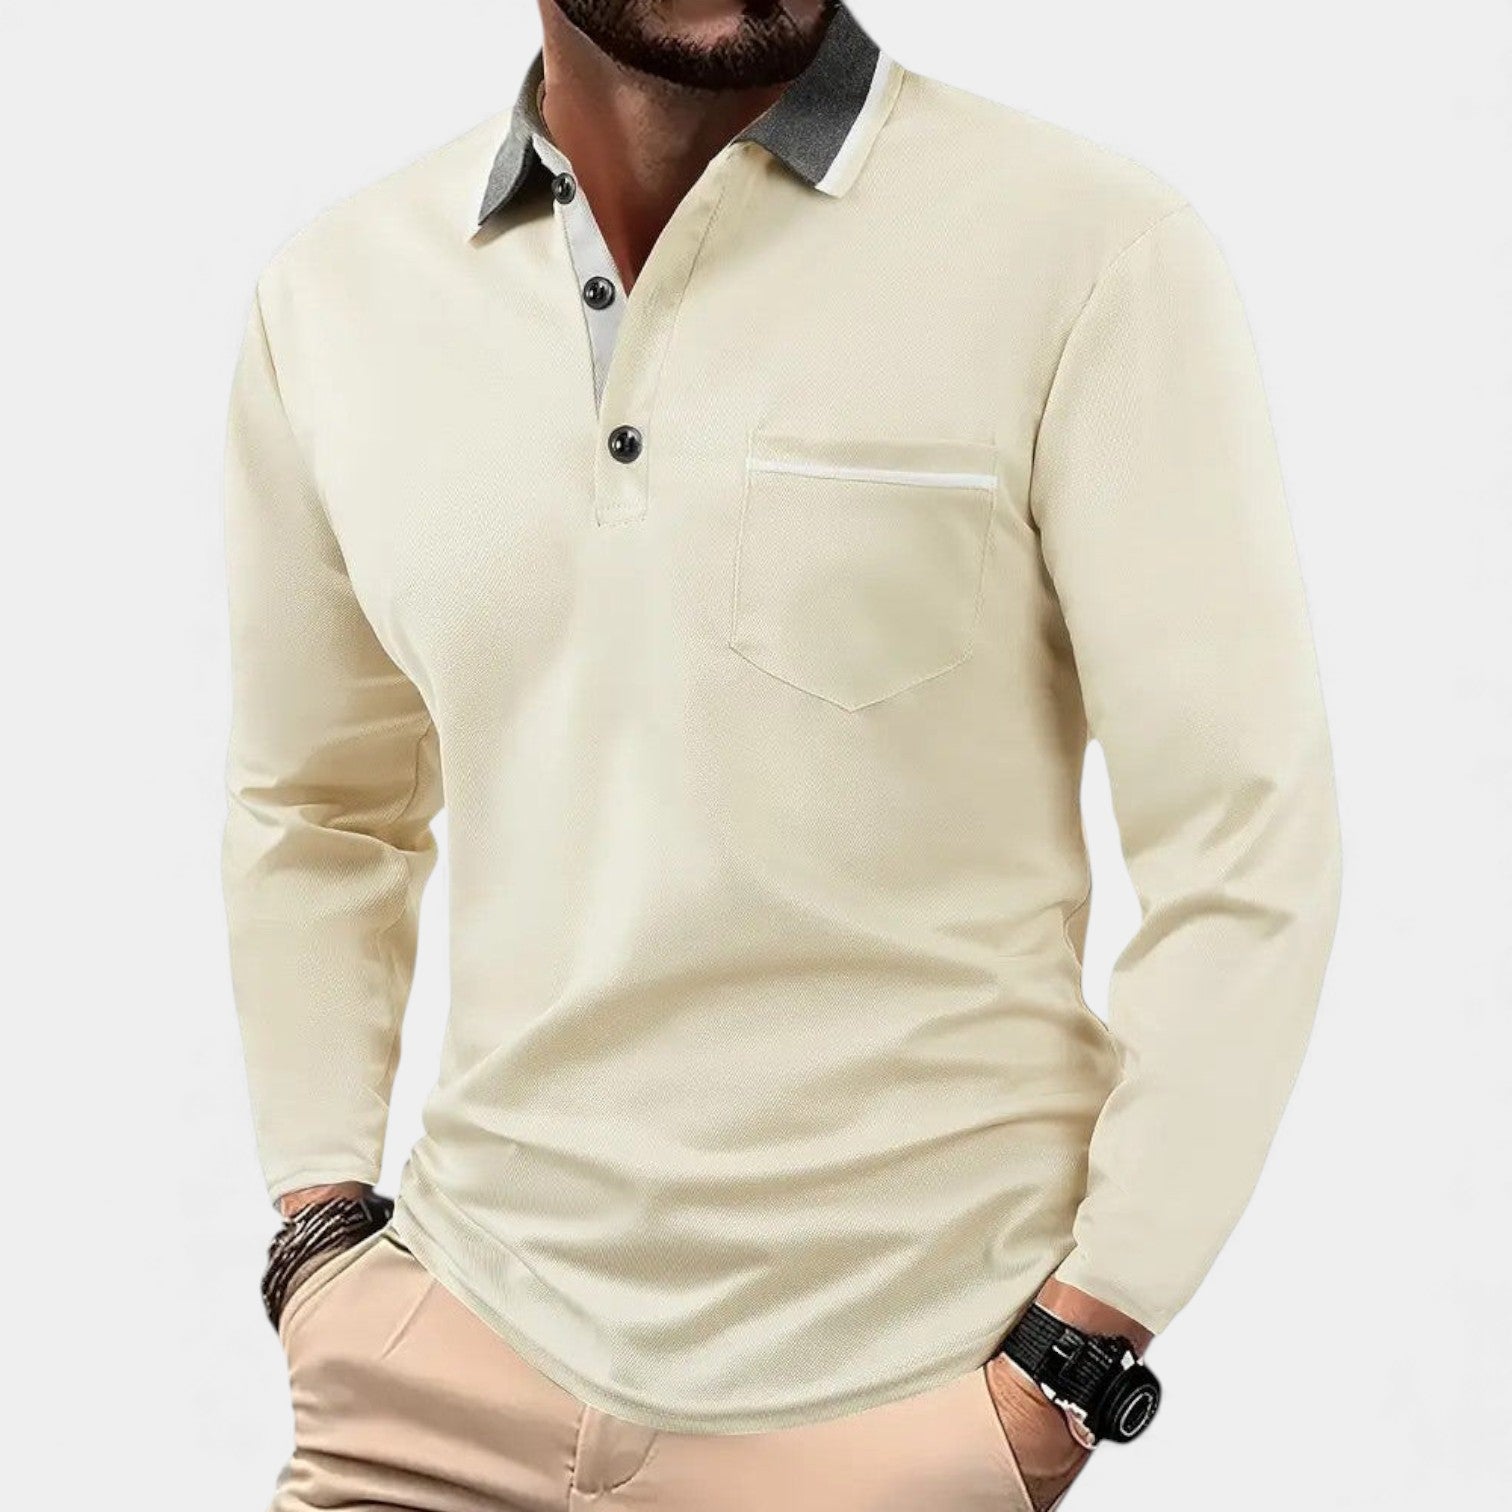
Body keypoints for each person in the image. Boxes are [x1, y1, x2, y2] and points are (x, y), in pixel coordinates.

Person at [219, 3, 1342, 1508]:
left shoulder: (1085, 252)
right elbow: (317, 806)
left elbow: (1243, 838)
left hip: (893, 1396)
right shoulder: (335, 295)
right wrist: (318, 1232)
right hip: (445, 1373)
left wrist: (1078, 1351)